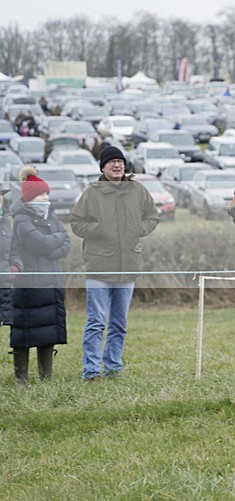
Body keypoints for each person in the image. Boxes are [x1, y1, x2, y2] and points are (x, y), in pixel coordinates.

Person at [71, 145, 159, 381]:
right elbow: (77, 224)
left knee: (119, 324)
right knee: (96, 323)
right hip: (99, 268)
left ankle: (113, 369)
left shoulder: (137, 190)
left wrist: (139, 229)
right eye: (112, 162)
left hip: (128, 267)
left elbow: (153, 216)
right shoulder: (92, 192)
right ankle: (91, 372)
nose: (117, 165)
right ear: (103, 167)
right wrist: (98, 230)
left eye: (120, 161)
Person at [9, 166, 71, 385]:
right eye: (42, 194)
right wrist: (53, 244)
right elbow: (41, 243)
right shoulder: (21, 221)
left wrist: (52, 245)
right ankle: (21, 379)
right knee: (24, 332)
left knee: (48, 331)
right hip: (29, 285)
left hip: (52, 281)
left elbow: (66, 241)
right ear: (32, 197)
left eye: (47, 194)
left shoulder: (50, 216)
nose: (46, 197)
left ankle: (46, 378)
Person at [0, 184, 22, 328]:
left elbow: (14, 250)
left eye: (1, 194)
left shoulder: (6, 223)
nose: (0, 198)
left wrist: (15, 266)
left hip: (4, 284)